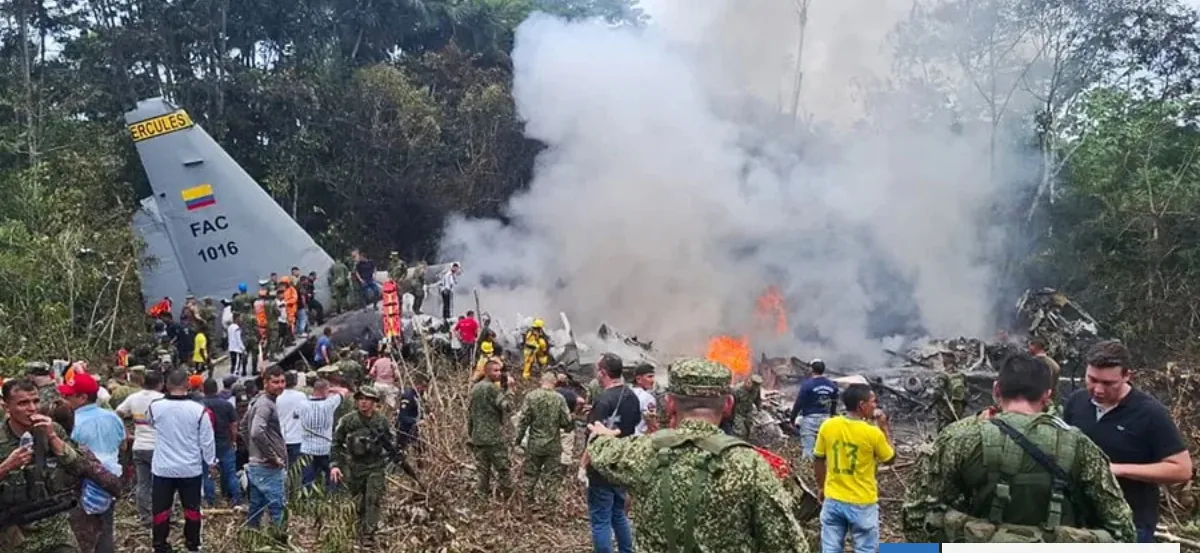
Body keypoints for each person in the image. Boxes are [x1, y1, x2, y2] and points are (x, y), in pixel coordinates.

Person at [903, 351, 1136, 543]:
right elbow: (1123, 529)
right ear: (1047, 396)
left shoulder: (958, 438)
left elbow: (915, 517)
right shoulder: (1081, 445)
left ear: (996, 390)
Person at [586, 357, 809, 553]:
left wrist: (603, 435)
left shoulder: (641, 452)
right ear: (728, 404)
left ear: (670, 403)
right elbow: (789, 545)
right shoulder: (752, 466)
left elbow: (601, 450)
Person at [1062, 340, 1191, 543]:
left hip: (1131, 524)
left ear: (1127, 376)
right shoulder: (1076, 402)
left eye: (1108, 383)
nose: (1097, 389)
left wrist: (1116, 470)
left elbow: (1181, 469)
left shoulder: (1151, 413)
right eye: (1092, 379)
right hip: (1079, 523)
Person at [0, 378, 92, 553]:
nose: (32, 408)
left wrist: (52, 438)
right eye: (23, 403)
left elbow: (80, 468)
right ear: (6, 407)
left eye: (35, 401)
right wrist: (6, 466)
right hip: (14, 532)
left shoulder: (52, 430)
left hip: (54, 525)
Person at [813, 384, 894, 553]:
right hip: (862, 502)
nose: (875, 405)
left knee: (830, 548)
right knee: (865, 549)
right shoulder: (873, 433)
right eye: (873, 402)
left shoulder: (828, 425)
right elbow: (890, 459)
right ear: (862, 405)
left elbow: (818, 459)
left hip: (833, 499)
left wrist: (821, 486)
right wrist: (885, 428)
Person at [147, 369, 217, 553]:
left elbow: (151, 423)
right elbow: (207, 441)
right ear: (188, 385)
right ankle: (193, 545)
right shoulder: (200, 411)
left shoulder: (155, 406)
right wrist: (211, 462)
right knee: (192, 510)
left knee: (161, 510)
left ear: (166, 385)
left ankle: (160, 545)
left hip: (163, 468)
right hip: (190, 468)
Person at [61, 371, 125, 553]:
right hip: (110, 480)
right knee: (105, 529)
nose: (64, 398)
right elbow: (123, 445)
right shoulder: (112, 417)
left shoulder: (73, 422)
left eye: (68, 395)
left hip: (83, 483)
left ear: (82, 397)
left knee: (82, 533)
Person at [584, 353, 641, 553]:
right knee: (619, 513)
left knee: (600, 519)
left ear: (603, 373)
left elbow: (593, 437)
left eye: (597, 370)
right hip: (623, 462)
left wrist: (584, 465)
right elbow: (633, 425)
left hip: (601, 466)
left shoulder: (604, 400)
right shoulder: (631, 396)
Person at [330, 386, 392, 543]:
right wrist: (335, 464)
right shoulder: (348, 420)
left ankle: (368, 534)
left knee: (373, 497)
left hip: (376, 465)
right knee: (358, 500)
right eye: (360, 399)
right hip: (355, 467)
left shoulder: (381, 421)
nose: (363, 403)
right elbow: (336, 443)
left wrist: (392, 457)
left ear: (374, 402)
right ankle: (357, 528)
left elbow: (391, 442)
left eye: (367, 399)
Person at [115, 369, 164, 527]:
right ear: (160, 384)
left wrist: (125, 432)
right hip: (158, 447)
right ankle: (161, 514)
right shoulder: (162, 399)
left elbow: (117, 413)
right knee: (161, 483)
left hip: (139, 445)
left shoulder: (133, 398)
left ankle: (145, 516)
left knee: (143, 483)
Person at [516, 372, 573, 507]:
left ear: (541, 381)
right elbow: (566, 421)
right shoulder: (559, 399)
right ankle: (551, 504)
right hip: (553, 445)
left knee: (530, 474)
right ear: (554, 383)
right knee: (552, 476)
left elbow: (523, 421)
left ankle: (527, 501)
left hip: (534, 443)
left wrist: (518, 440)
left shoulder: (531, 396)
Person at [245, 366, 288, 530]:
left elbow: (244, 427)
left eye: (282, 382)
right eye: (275, 382)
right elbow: (256, 432)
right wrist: (271, 456)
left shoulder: (259, 401)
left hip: (257, 464)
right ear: (265, 382)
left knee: (257, 506)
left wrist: (254, 452)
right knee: (277, 506)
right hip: (268, 466)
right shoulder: (265, 405)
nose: (280, 386)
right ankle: (280, 540)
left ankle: (251, 537)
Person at [467, 359, 514, 499]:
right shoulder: (492, 388)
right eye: (495, 370)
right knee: (503, 469)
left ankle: (482, 498)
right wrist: (510, 389)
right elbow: (507, 406)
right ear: (487, 371)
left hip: (478, 437)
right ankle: (508, 498)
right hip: (493, 438)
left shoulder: (475, 389)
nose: (499, 373)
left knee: (483, 471)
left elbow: (470, 414)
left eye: (500, 370)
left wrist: (470, 434)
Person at [200, 379, 241, 507]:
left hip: (206, 444)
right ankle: (235, 498)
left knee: (207, 474)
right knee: (230, 473)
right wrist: (233, 440)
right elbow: (233, 425)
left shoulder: (199, 405)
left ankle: (210, 500)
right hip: (225, 443)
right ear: (216, 389)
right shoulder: (227, 405)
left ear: (203, 389)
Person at [300, 379, 342, 492]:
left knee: (307, 480)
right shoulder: (329, 404)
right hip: (325, 448)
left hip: (307, 449)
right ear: (325, 390)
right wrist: (332, 389)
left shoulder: (302, 404)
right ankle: (331, 499)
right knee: (332, 476)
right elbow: (344, 391)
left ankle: (305, 501)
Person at [791, 359, 838, 458]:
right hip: (826, 420)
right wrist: (832, 415)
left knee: (808, 450)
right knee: (826, 450)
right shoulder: (832, 385)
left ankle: (807, 470)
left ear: (812, 369)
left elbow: (799, 402)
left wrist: (793, 417)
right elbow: (834, 402)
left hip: (809, 420)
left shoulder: (807, 384)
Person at [276, 372, 306, 468]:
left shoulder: (277, 397)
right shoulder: (301, 396)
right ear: (295, 382)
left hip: (281, 438)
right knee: (296, 470)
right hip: (297, 438)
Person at [730, 374, 763, 440]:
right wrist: (731, 416)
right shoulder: (737, 389)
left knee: (749, 429)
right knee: (740, 431)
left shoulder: (756, 389)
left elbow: (758, 400)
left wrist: (759, 409)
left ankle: (745, 441)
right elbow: (732, 403)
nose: (754, 388)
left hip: (748, 412)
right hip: (738, 413)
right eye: (752, 385)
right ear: (748, 381)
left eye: (755, 387)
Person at [630, 365, 659, 436]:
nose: (653, 380)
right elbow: (652, 425)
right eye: (649, 376)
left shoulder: (626, 393)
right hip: (641, 437)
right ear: (639, 379)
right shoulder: (648, 398)